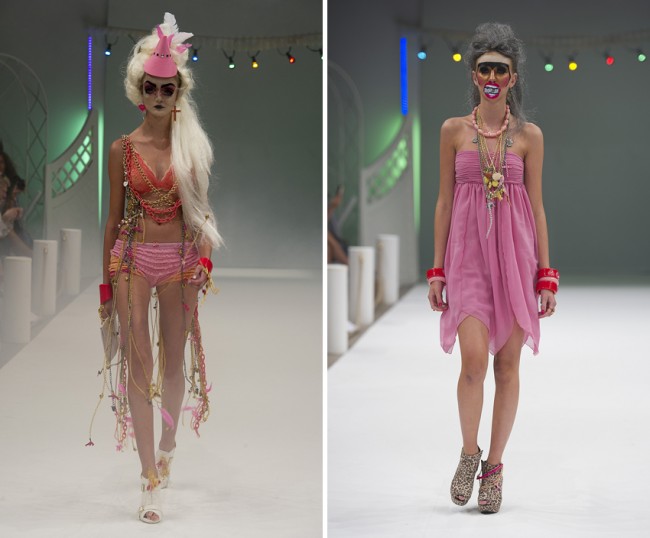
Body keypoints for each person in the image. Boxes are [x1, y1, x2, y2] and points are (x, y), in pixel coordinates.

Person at [90, 13, 221, 524]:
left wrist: (205, 258)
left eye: (168, 88)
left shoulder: (193, 149)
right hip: (132, 259)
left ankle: (167, 445)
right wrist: (105, 287)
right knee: (138, 363)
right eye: (152, 87)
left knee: (172, 364)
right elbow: (111, 221)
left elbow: (202, 213)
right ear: (139, 91)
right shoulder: (121, 150)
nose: (160, 95)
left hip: (181, 263)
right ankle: (147, 477)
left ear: (179, 92)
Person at [427, 22, 558, 514]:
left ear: (513, 77)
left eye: (501, 70)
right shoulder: (452, 131)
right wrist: (436, 270)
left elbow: (537, 208)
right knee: (473, 364)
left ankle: (495, 467)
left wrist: (546, 274)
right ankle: (469, 453)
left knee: (507, 366)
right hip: (466, 260)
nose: (492, 77)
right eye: (484, 68)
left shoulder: (529, 137)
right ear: (473, 73)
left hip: (516, 261)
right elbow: (444, 202)